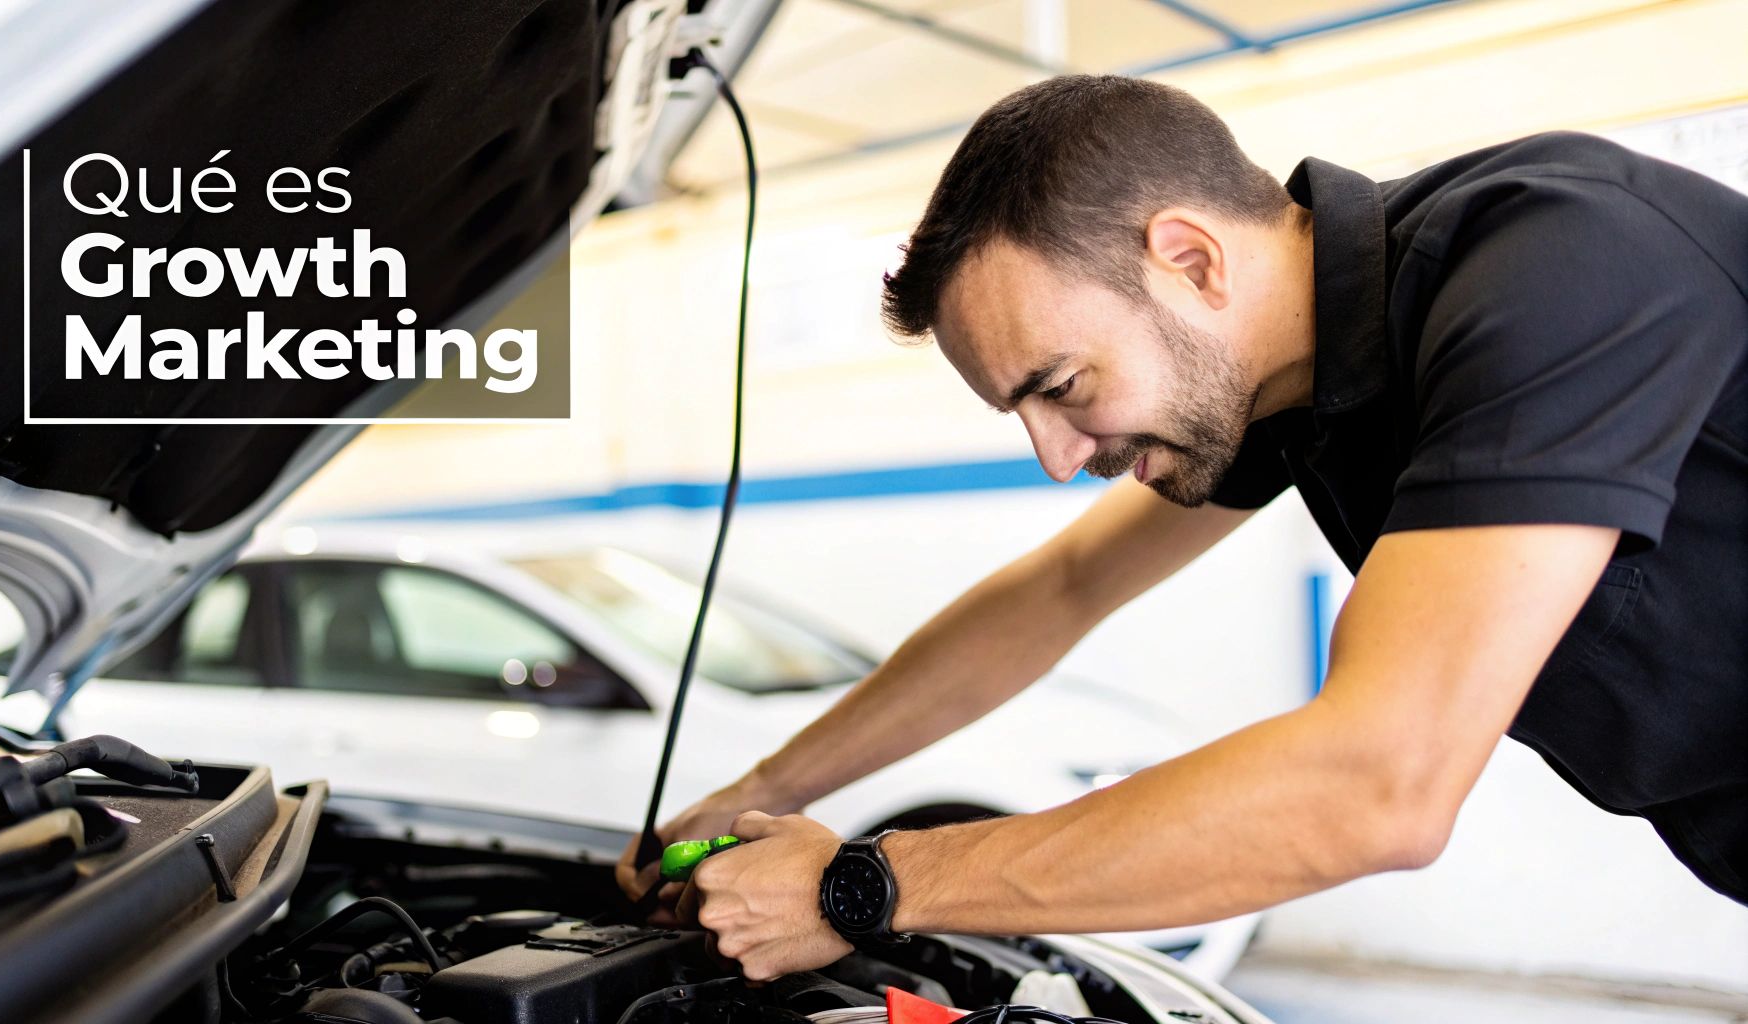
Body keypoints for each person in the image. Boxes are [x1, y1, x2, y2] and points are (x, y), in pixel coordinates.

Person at [616, 75, 1748, 981]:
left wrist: (859, 884)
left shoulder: (1554, 271)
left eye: (1058, 384)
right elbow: (1055, 594)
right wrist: (762, 791)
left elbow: (1376, 785)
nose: (1057, 457)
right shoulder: (1290, 384)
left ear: (1190, 260)